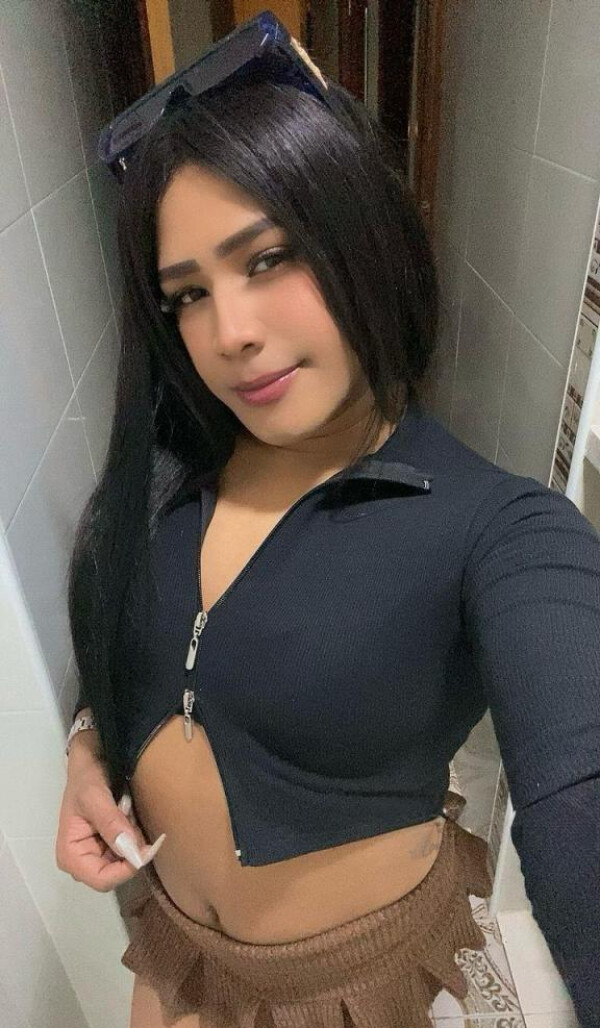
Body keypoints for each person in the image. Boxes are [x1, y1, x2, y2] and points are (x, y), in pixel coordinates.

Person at [55, 64, 600, 1028]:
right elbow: (132, 644)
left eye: (268, 258)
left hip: (348, 994)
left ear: (362, 241)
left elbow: (578, 794)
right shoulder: (173, 467)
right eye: (188, 294)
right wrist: (89, 746)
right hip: (178, 957)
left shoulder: (500, 528)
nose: (230, 332)